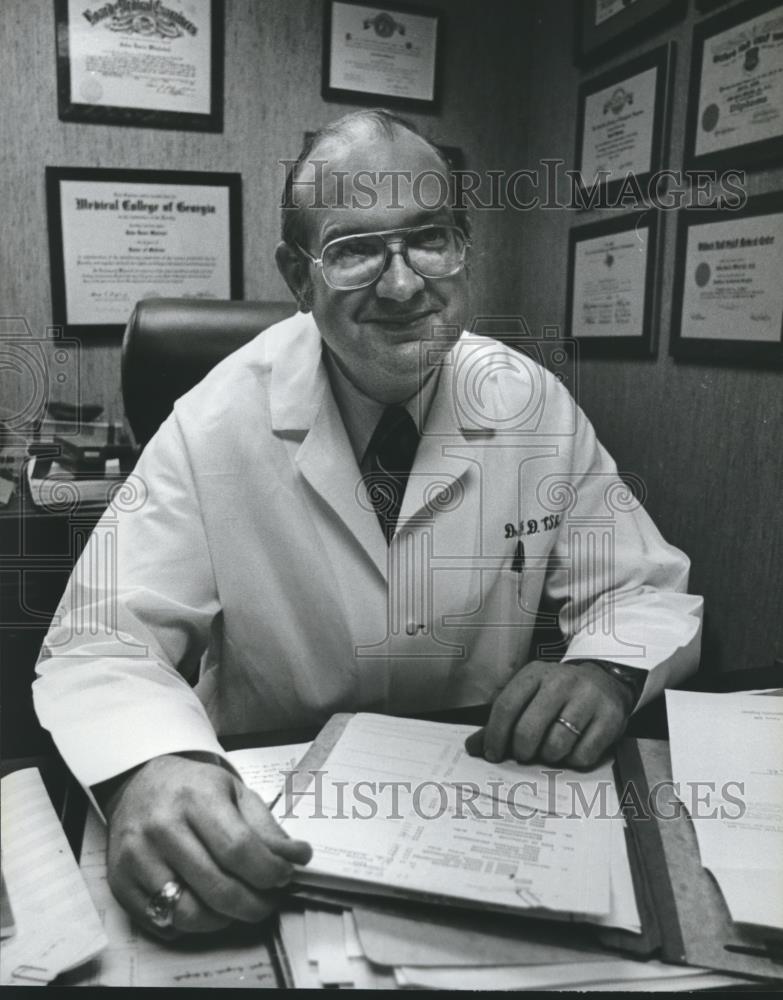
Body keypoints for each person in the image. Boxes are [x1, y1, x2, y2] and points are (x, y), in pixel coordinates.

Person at [33, 109, 703, 938]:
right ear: (297, 275)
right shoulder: (212, 420)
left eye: (429, 238)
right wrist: (149, 765)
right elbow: (101, 641)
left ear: (464, 244)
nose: (400, 284)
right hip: (268, 805)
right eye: (352, 250)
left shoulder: (528, 402)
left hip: (479, 795)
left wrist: (605, 669)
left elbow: (641, 585)